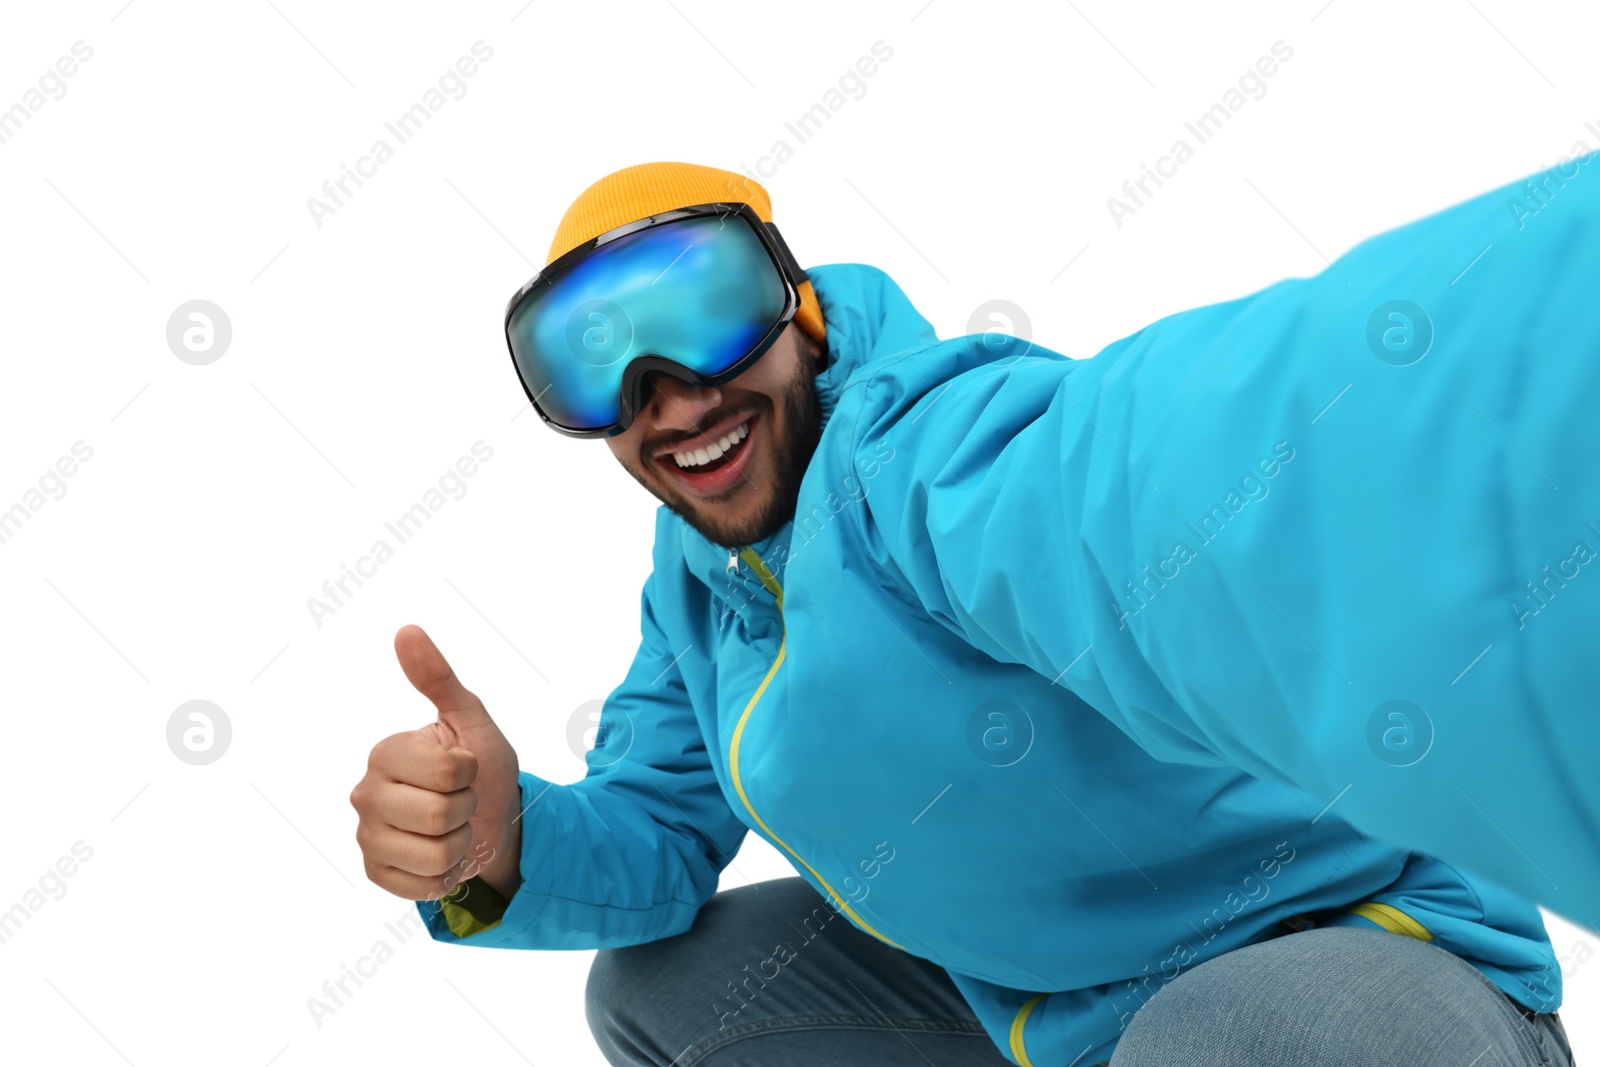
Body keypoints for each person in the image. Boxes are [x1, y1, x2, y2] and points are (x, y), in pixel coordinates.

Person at [349, 160, 1595, 1065]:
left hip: (1342, 951)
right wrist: (499, 848)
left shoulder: (922, 455)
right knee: (668, 987)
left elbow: (1141, 494)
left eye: (704, 319)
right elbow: (655, 833)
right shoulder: (699, 589)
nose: (668, 399)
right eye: (597, 368)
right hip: (1052, 1017)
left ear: (801, 307)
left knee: (1210, 1041)